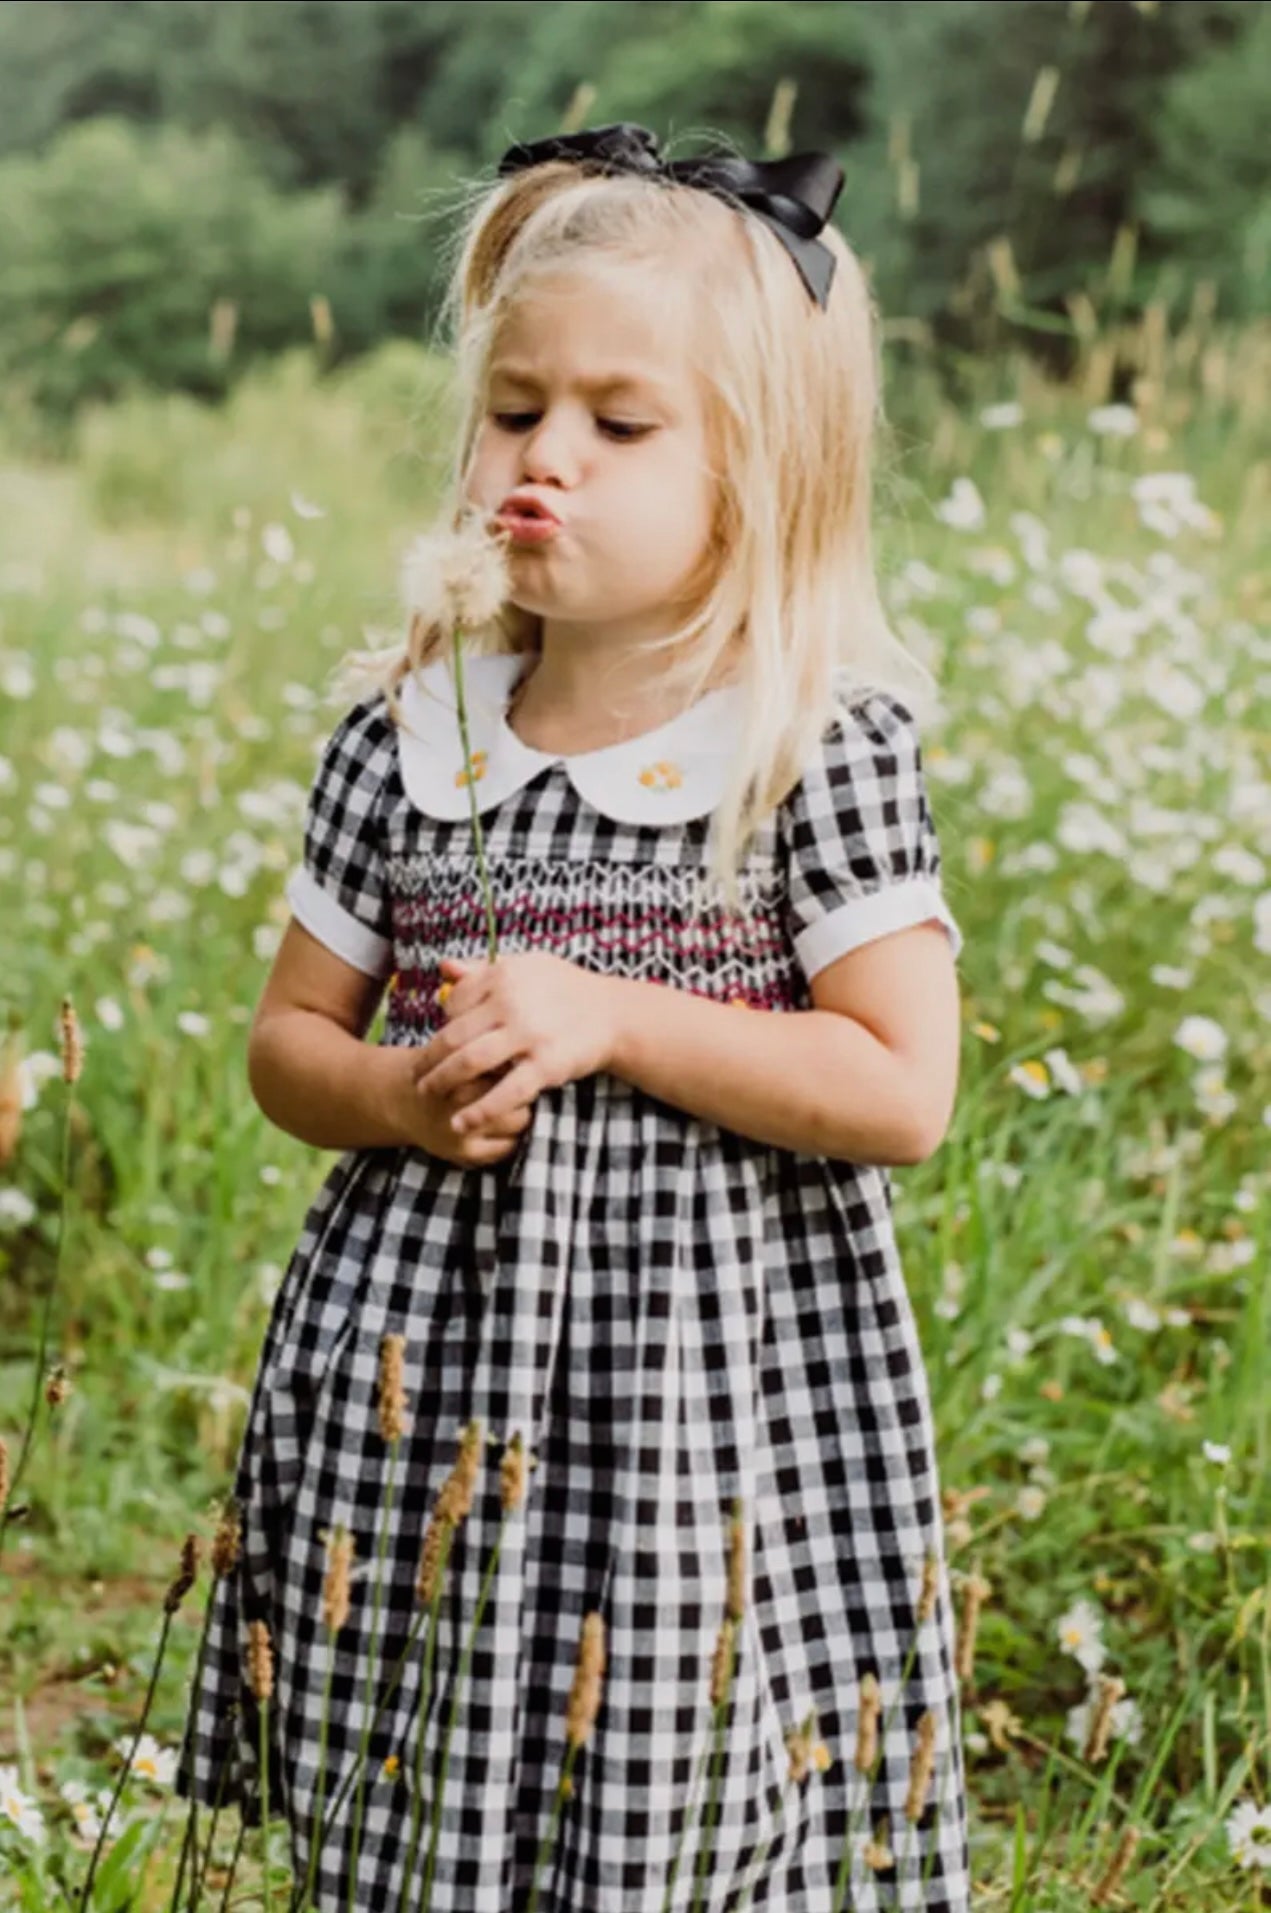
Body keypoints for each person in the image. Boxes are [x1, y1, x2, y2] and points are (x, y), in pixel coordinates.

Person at [176, 121, 972, 1913]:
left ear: (757, 476)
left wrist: (610, 1012)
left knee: (671, 1764)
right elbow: (288, 1043)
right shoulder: (405, 735)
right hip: (429, 1381)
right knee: (425, 1735)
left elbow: (901, 1087)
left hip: (699, 1390)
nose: (544, 460)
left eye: (621, 427)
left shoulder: (804, 751)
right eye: (515, 410)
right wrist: (402, 1096)